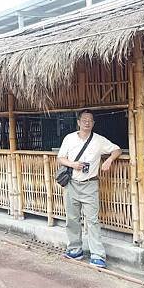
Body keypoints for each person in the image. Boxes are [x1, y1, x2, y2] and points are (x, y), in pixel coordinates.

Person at [57, 109, 122, 268]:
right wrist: (73, 164)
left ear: (93, 123)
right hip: (72, 184)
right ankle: (74, 249)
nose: (87, 122)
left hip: (90, 184)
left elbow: (117, 149)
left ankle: (97, 255)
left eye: (90, 120)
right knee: (72, 219)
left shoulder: (99, 140)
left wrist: (109, 160)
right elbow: (60, 157)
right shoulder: (69, 138)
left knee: (92, 221)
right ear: (78, 122)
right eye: (84, 120)